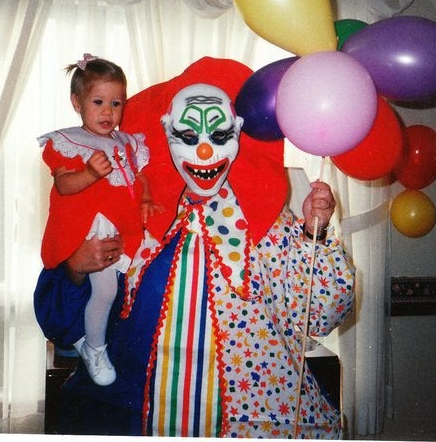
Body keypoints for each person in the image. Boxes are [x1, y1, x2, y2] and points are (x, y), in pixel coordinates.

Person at [34, 57, 355, 437]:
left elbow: (320, 314)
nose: (204, 152)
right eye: (187, 136)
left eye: (219, 136)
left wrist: (314, 234)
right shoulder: (135, 219)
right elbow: (55, 323)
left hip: (248, 423)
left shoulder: (268, 225)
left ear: (239, 134)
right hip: (132, 417)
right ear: (165, 136)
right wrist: (75, 267)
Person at [37, 53, 161, 386]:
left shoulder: (128, 142)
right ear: (77, 103)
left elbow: (139, 176)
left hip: (124, 224)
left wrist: (146, 197)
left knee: (143, 273)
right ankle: (94, 347)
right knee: (105, 289)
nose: (108, 111)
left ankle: (88, 338)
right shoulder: (69, 141)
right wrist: (91, 173)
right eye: (98, 102)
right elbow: (63, 184)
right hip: (92, 227)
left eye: (116, 103)